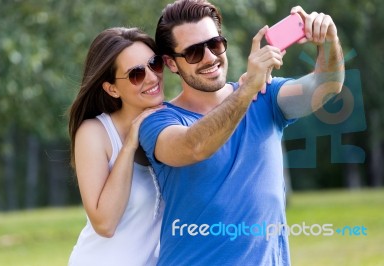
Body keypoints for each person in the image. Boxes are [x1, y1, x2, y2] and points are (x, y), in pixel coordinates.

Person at [139, 0, 344, 265]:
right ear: (171, 63)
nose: (210, 58)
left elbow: (327, 86)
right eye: (193, 52)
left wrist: (328, 41)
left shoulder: (266, 96)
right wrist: (246, 92)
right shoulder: (157, 121)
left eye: (214, 44)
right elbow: (194, 147)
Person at [68, 27, 165, 266]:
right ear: (112, 88)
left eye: (154, 64)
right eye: (136, 74)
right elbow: (105, 223)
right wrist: (130, 144)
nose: (152, 77)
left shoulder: (170, 126)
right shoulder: (95, 133)